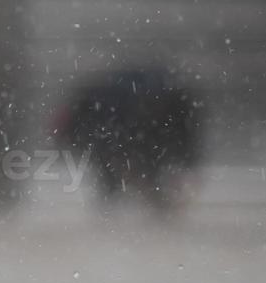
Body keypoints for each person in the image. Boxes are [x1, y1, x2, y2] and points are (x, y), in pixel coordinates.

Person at [51, 67, 202, 212]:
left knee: (131, 165)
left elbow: (112, 138)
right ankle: (151, 200)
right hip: (141, 123)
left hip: (139, 123)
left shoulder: (95, 112)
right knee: (133, 165)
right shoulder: (96, 107)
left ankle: (147, 199)